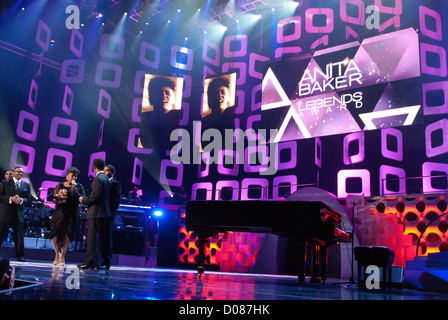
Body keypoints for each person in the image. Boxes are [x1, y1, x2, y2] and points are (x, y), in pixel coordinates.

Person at [78, 158, 112, 270]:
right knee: (98, 239)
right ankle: (95, 262)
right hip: (104, 213)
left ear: (94, 167)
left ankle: (90, 262)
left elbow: (95, 196)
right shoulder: (106, 179)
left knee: (92, 238)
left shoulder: (98, 179)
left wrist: (83, 200)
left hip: (96, 213)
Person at [49, 167, 85, 266]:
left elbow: (82, 199)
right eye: (72, 176)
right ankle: (57, 253)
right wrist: (59, 200)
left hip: (72, 213)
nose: (74, 178)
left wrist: (75, 190)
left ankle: (62, 256)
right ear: (67, 176)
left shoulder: (79, 187)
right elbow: (54, 199)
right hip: (60, 212)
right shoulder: (60, 185)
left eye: (75, 176)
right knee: (54, 233)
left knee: (67, 234)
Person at [139, 76, 182, 152]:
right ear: (150, 99)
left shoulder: (181, 117)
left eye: (167, 93)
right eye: (158, 93)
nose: (163, 96)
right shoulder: (143, 118)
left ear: (174, 98)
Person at [0, 166, 32, 261]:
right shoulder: (5, 183)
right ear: (13, 172)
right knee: (1, 233)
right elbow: (0, 196)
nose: (20, 174)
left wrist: (21, 200)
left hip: (19, 213)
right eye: (18, 172)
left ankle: (20, 256)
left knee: (19, 236)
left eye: (21, 172)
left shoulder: (26, 185)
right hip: (6, 212)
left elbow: (29, 199)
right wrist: (10, 199)